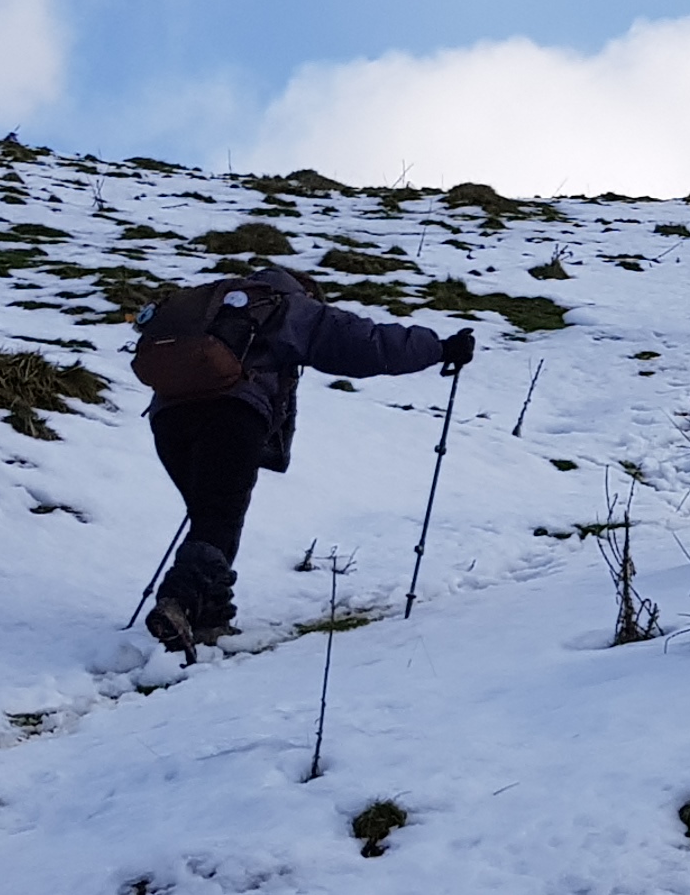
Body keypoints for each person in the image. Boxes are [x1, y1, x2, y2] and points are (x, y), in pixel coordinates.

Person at [131, 266, 472, 659]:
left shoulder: (218, 307)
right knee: (218, 517)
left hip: (168, 420)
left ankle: (210, 619)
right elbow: (367, 344)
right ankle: (177, 603)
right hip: (231, 417)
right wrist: (440, 348)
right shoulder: (288, 307)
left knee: (212, 516)